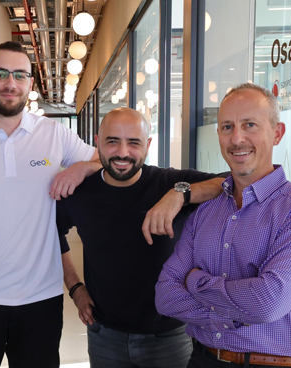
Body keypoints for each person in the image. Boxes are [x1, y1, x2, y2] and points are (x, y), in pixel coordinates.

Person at [0, 41, 100, 368]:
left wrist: (81, 166)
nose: (10, 83)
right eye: (0, 73)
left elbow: (107, 161)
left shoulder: (53, 134)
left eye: (20, 75)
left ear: (31, 83)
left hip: (40, 298)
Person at [155, 83, 291, 368]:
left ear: (277, 133)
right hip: (202, 359)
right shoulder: (205, 211)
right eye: (227, 127)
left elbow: (267, 303)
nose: (237, 138)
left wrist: (195, 281)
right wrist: (237, 310)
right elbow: (165, 296)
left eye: (250, 125)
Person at [57, 107, 225, 368]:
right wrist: (75, 288)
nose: (123, 152)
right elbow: (54, 234)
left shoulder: (169, 182)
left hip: (168, 335)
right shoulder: (80, 192)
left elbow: (229, 182)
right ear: (98, 142)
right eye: (113, 141)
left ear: (147, 145)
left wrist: (179, 195)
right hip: (104, 335)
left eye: (133, 143)